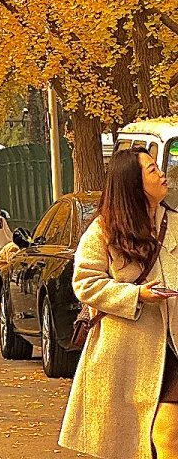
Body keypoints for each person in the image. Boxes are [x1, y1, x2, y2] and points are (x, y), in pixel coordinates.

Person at [60, 147, 178, 459]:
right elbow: (85, 283)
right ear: (133, 182)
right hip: (128, 351)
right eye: (152, 170)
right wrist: (135, 295)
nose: (161, 174)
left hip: (174, 345)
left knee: (168, 431)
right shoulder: (104, 229)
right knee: (132, 441)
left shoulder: (175, 222)